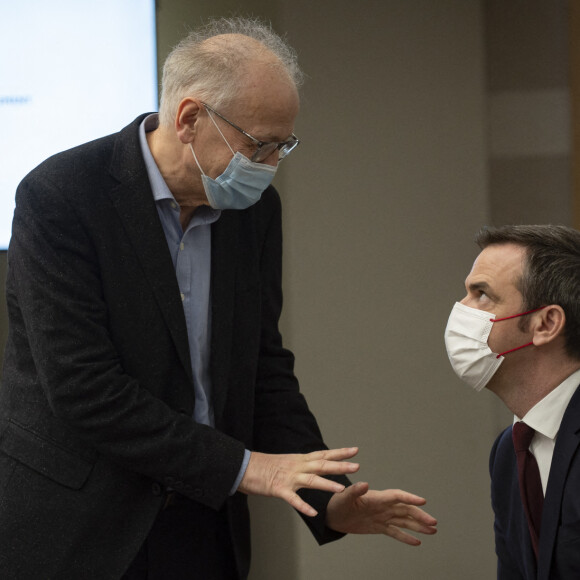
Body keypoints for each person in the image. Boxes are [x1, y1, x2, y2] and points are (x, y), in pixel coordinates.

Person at [0, 17, 437, 580]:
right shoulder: (62, 194)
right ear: (188, 119)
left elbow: (262, 370)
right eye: (260, 144)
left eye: (285, 145)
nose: (272, 165)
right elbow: (83, 389)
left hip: (203, 523)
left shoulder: (254, 213)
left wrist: (327, 498)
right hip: (79, 525)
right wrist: (247, 467)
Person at [444, 224, 580, 579]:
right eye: (466, 293)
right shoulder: (508, 451)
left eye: (482, 294)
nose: (461, 309)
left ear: (546, 323)